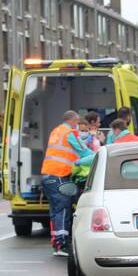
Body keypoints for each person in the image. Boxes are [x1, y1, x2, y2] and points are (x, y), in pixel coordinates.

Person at [41, 110, 94, 256]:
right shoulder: (70, 133)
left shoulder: (56, 131)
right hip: (59, 174)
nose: (77, 126)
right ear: (73, 120)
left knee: (55, 210)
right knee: (63, 208)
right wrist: (100, 154)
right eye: (77, 123)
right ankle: (62, 245)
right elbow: (84, 151)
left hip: (48, 175)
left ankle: (56, 243)